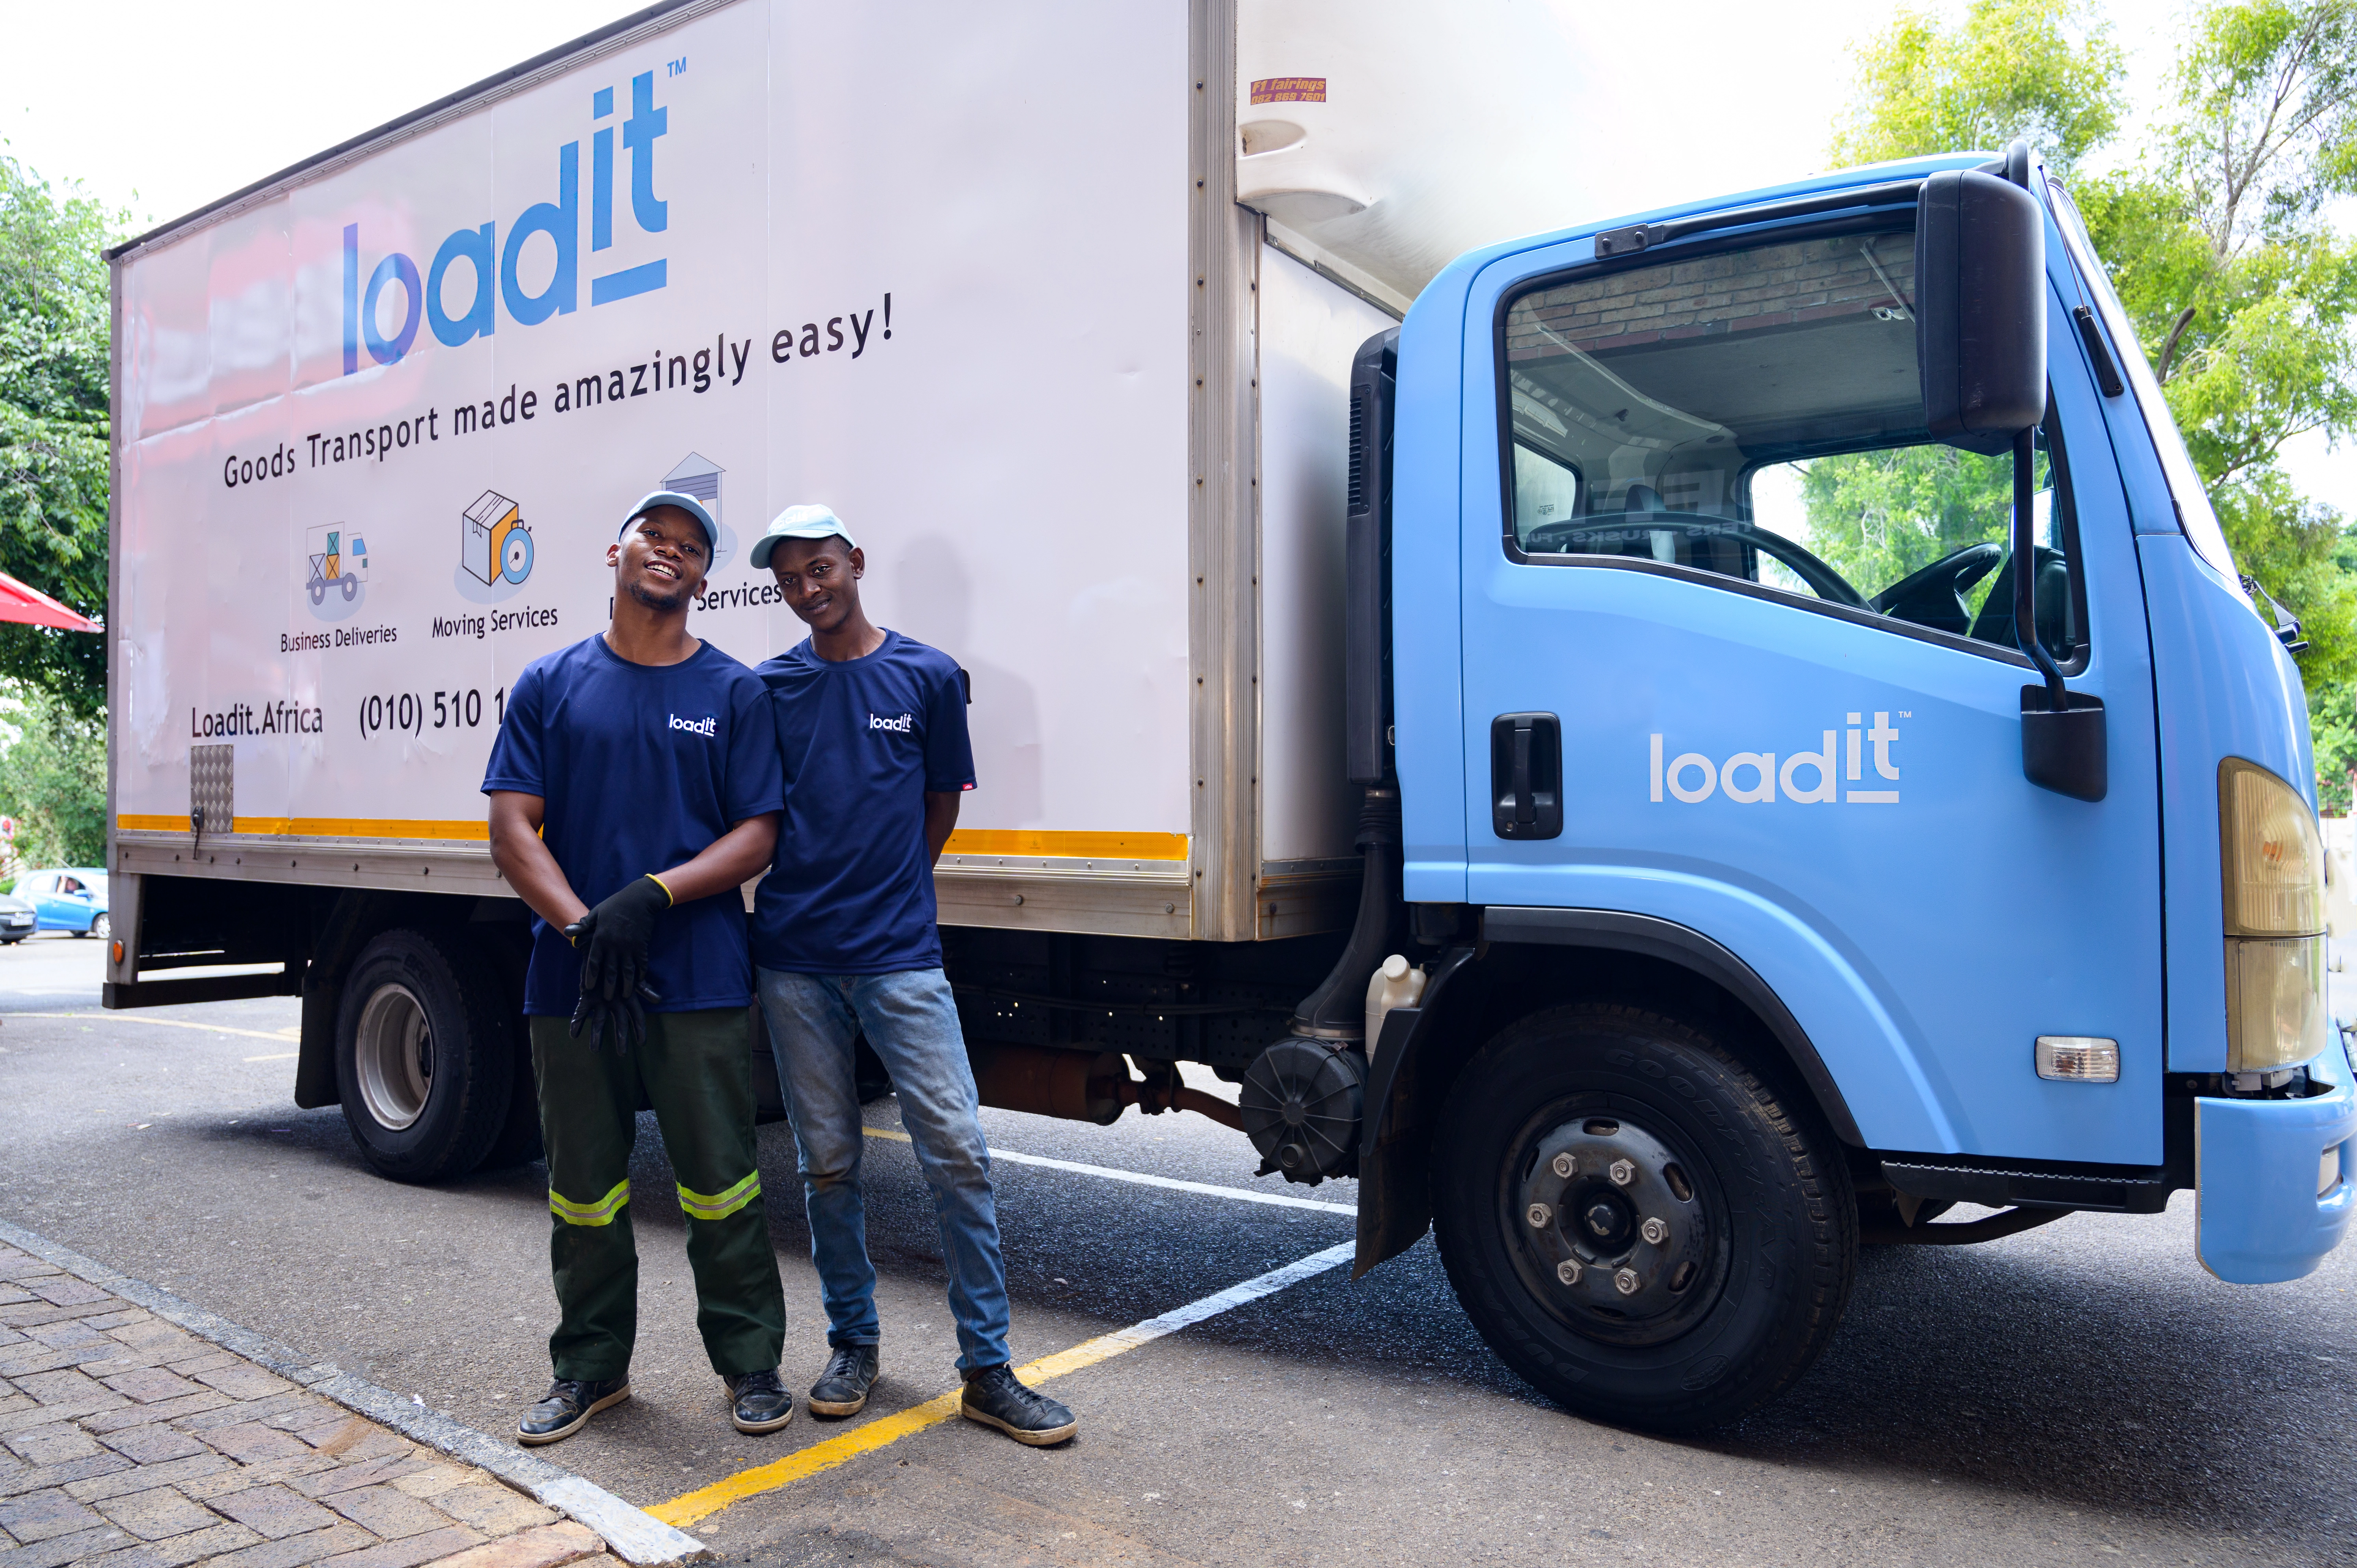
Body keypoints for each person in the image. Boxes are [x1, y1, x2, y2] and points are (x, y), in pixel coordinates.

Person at [748, 504, 1077, 1447]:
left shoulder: (927, 677)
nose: (807, 589)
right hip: (795, 961)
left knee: (959, 1156)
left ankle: (986, 1370)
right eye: (789, 579)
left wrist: (890, 889)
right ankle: (853, 1346)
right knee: (828, 1164)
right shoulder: (770, 689)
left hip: (899, 957)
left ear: (854, 562)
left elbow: (940, 806)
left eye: (820, 569)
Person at [483, 490, 794, 1445]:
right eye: (653, 538)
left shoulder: (733, 691)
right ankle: (589, 1371)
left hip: (696, 975)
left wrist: (650, 897)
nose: (669, 553)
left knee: (722, 1183)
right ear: (612, 553)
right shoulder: (549, 682)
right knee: (583, 1186)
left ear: (704, 579)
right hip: (571, 984)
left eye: (689, 547)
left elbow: (758, 835)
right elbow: (510, 827)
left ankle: (750, 1365)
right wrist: (583, 929)